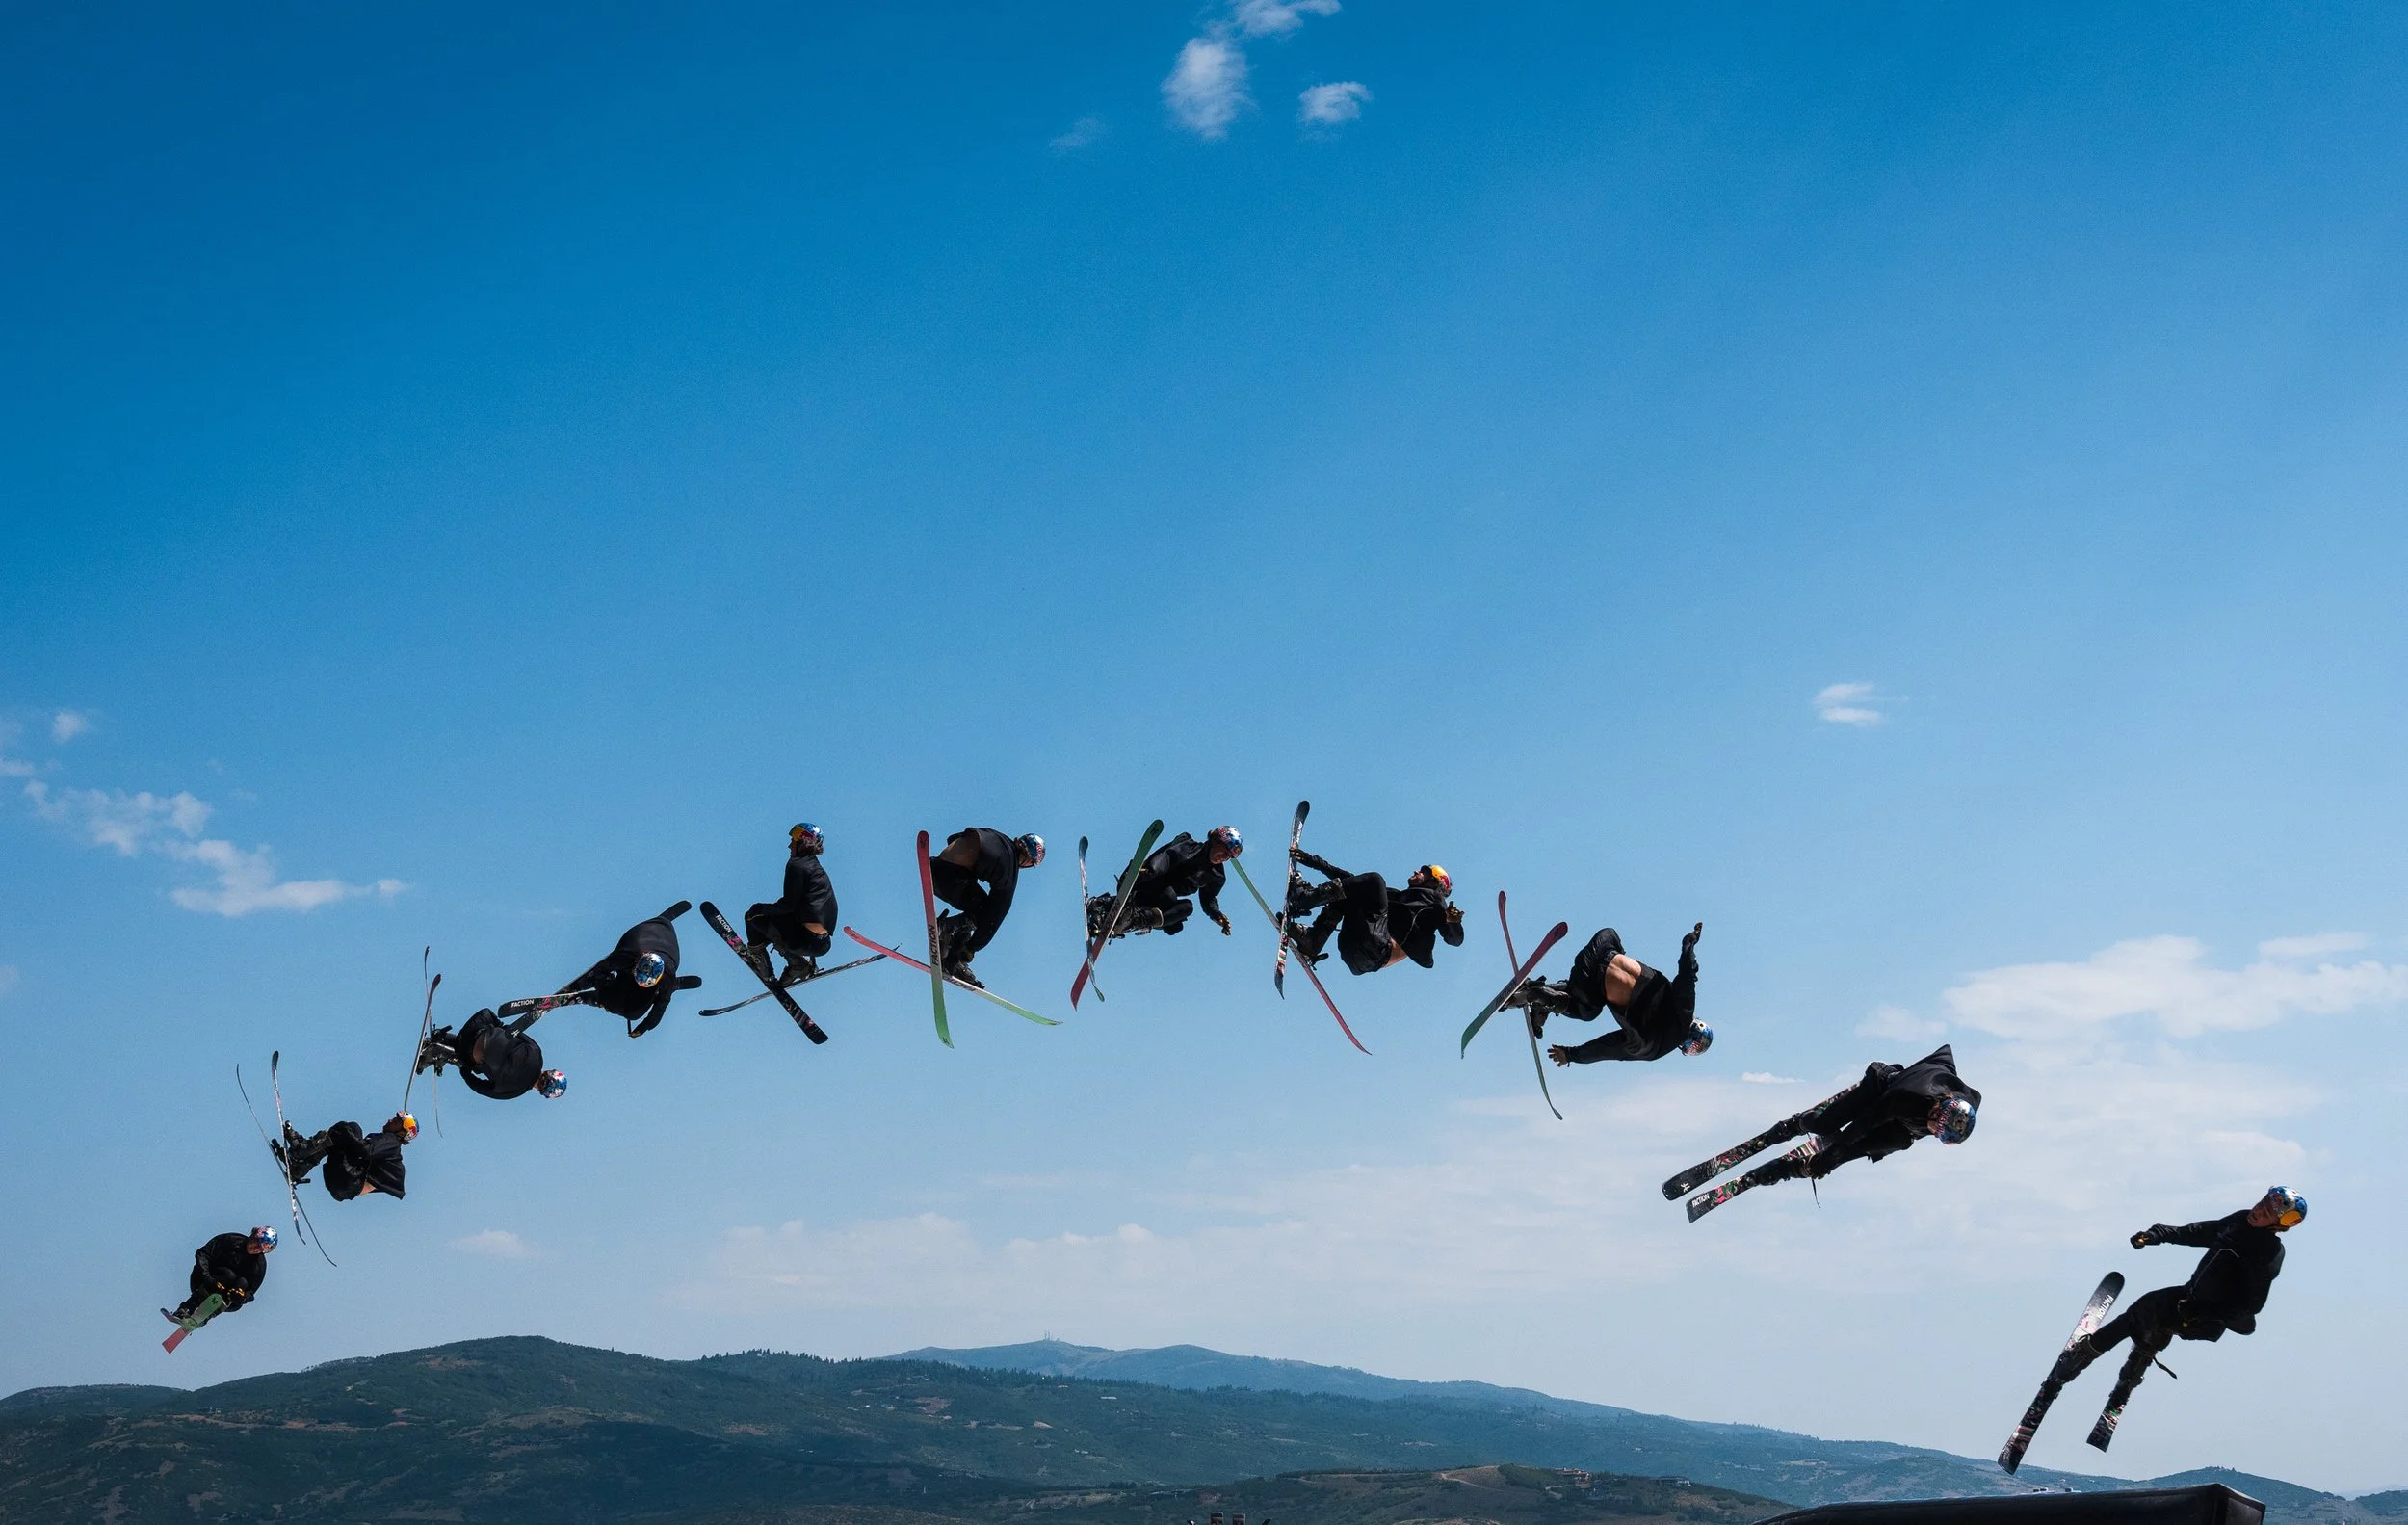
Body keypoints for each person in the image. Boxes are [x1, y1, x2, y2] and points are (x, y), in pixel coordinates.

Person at [2044, 1187, 2306, 1414]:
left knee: (2137, 1316)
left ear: (2279, 1224)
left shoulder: (2269, 1253)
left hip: (2207, 1316)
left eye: (2267, 1212)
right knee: (2153, 1323)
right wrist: (2157, 1234)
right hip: (2187, 1297)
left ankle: (2071, 1366)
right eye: (2261, 1203)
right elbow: (2200, 1232)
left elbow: (2251, 1306)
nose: (2258, 1210)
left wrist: (2204, 1313)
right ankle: (2125, 1386)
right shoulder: (2240, 1222)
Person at [1745, 1043, 1980, 1186]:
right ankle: (1795, 1125)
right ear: (1939, 1108)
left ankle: (1790, 1169)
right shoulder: (1908, 1097)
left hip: (1903, 1130)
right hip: (1882, 1090)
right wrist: (1836, 1147)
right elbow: (1865, 1122)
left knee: (1841, 1157)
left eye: (1938, 1134)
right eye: (1935, 1126)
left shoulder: (1967, 1104)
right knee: (1825, 1126)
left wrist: (1835, 1157)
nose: (1933, 1131)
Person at [1516, 923, 1712, 1065]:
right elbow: (1609, 1047)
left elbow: (1688, 973)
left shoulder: (1682, 1008)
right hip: (1587, 981)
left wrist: (1689, 944)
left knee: (1589, 997)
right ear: (1686, 1045)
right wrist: (1571, 1055)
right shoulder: (1654, 1048)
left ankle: (1542, 998)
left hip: (1603, 943)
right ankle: (1540, 997)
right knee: (1586, 1011)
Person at [1286, 853, 1463, 976]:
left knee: (1375, 880)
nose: (1417, 871)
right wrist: (1314, 861)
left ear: (1433, 883)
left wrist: (1453, 921)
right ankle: (1312, 941)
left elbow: (1455, 940)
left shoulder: (1435, 904)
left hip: (1376, 950)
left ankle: (1304, 898)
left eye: (1424, 872)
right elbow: (1353, 881)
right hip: (1357, 954)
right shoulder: (1397, 898)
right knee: (1353, 892)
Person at [929, 828, 1044, 986]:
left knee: (977, 898)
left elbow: (952, 838)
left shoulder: (997, 835)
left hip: (935, 866)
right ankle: (950, 939)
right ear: (1029, 861)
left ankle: (950, 948)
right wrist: (973, 946)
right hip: (950, 880)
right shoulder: (1010, 869)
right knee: (984, 911)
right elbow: (996, 915)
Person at [567, 902, 702, 1037]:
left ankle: (671, 986)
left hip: (663, 961)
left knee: (633, 1013)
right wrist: (601, 989)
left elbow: (660, 1006)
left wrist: (644, 1026)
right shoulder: (627, 955)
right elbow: (600, 969)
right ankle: (609, 989)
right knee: (613, 1003)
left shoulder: (667, 977)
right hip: (637, 945)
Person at [1092, 825, 1241, 939]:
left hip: (1157, 900)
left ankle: (1131, 922)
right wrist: (1150, 869)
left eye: (1229, 856)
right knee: (1169, 896)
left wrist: (1216, 914)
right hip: (1142, 880)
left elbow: (1208, 898)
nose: (1224, 857)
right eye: (1224, 851)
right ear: (1215, 840)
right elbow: (1167, 857)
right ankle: (1103, 904)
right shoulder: (1189, 846)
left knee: (1183, 913)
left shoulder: (1216, 875)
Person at [745, 822, 839, 983]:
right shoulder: (815, 867)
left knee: (753, 916)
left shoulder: (797, 865)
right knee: (772, 918)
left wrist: (761, 909)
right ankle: (796, 963)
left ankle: (766, 967)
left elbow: (788, 905)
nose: (789, 846)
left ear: (802, 842)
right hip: (823, 945)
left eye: (793, 841)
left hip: (802, 941)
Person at [416, 1008, 566, 1101]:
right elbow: (480, 1088)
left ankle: (443, 1038)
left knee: (494, 1025)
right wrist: (464, 1069)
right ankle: (443, 1052)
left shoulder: (536, 1053)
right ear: (542, 1092)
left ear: (548, 1071)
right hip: (464, 1052)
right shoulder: (514, 1092)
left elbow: (513, 1030)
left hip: (474, 1027)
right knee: (477, 1065)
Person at [277, 1113, 416, 1202]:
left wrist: (344, 1131)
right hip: (344, 1185)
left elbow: (366, 1151)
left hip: (349, 1181)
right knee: (343, 1136)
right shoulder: (389, 1146)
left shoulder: (392, 1141)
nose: (390, 1119)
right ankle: (300, 1166)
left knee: (351, 1129)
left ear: (402, 1131)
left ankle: (301, 1151)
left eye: (397, 1120)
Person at [163, 1226, 274, 1326]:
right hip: (204, 1280)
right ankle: (186, 1309)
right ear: (252, 1235)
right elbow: (203, 1254)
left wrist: (241, 1297)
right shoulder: (232, 1240)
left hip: (228, 1296)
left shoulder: (259, 1265)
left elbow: (251, 1292)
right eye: (256, 1242)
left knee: (242, 1282)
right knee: (228, 1275)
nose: (256, 1248)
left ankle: (204, 1316)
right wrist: (207, 1278)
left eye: (261, 1248)